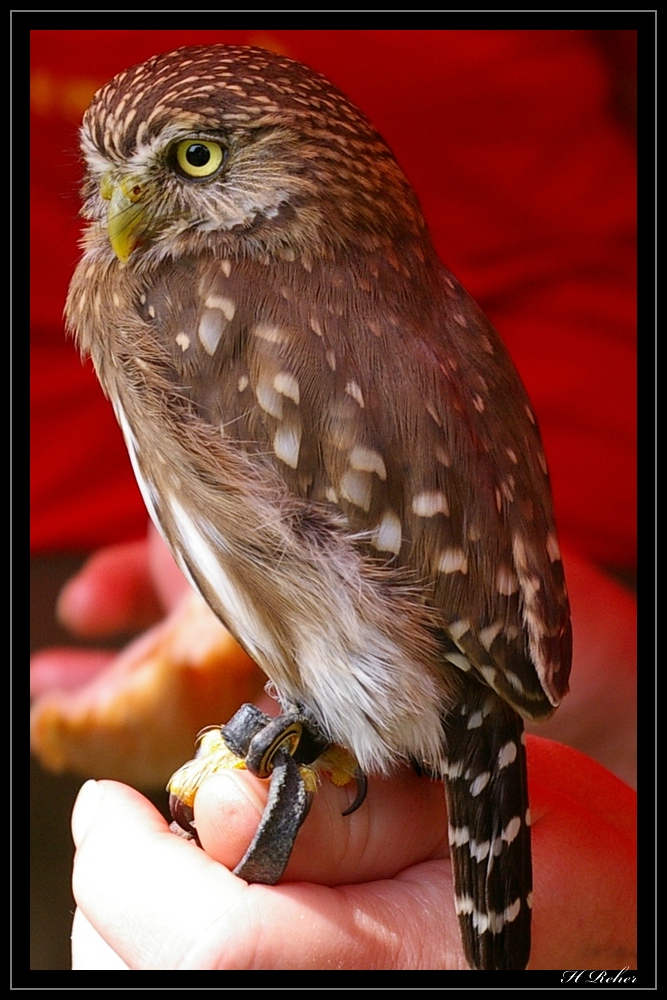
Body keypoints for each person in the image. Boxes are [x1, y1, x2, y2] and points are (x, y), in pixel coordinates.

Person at [30, 29, 637, 970]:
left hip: (430, 650)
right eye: (106, 176)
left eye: (193, 162)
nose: (124, 213)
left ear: (306, 170)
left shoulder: (197, 292)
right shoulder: (347, 272)